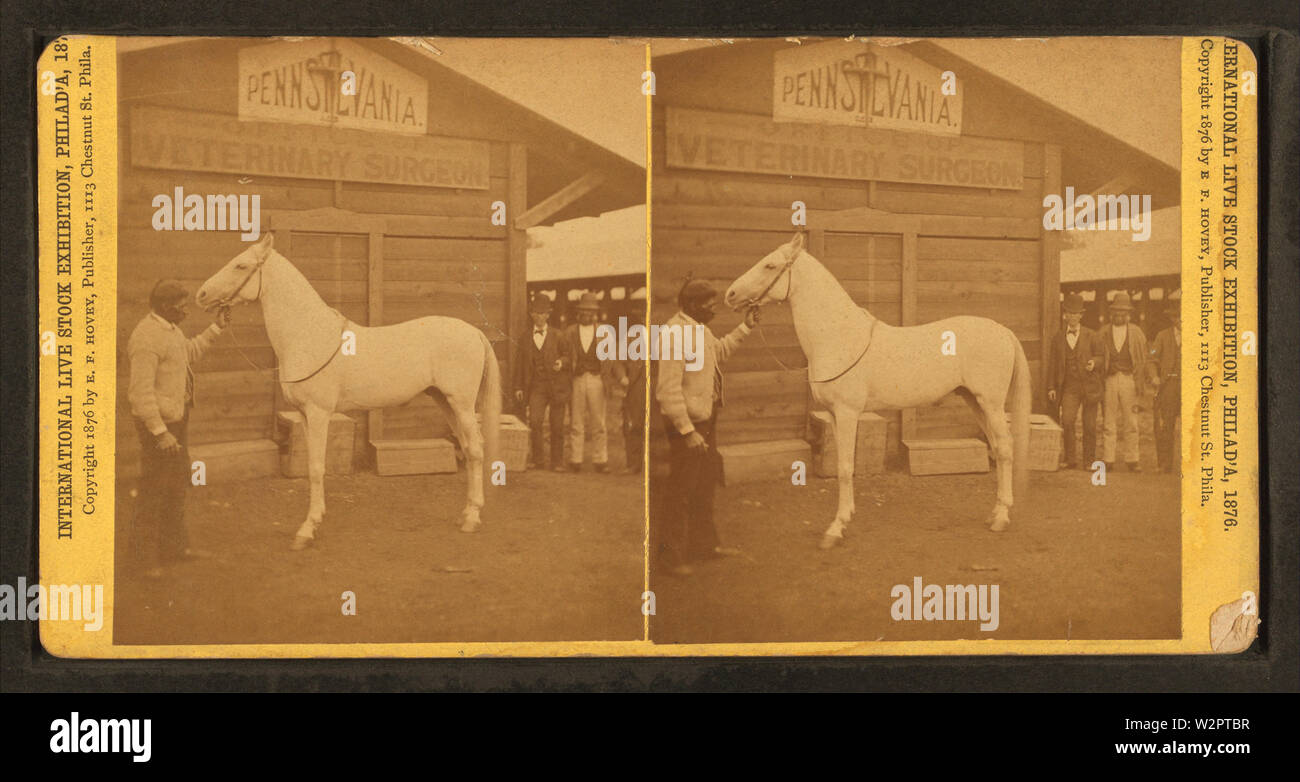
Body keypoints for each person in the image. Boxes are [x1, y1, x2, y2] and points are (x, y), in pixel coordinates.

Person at [653, 279, 758, 576]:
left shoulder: (700, 329)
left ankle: (703, 546)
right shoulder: (674, 335)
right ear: (692, 305)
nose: (714, 308)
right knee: (680, 490)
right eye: (709, 304)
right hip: (687, 425)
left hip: (707, 420)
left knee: (704, 485)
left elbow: (719, 352)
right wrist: (688, 432)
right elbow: (667, 391)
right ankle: (669, 558)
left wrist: (746, 326)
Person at [127, 279, 229, 578]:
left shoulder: (170, 330)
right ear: (166, 307)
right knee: (153, 490)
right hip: (158, 427)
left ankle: (174, 549)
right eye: (182, 306)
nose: (187, 310)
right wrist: (160, 433)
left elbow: (190, 353)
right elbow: (140, 393)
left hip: (176, 421)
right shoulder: (146, 338)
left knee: (175, 486)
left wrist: (217, 327)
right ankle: (141, 561)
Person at [513, 293, 571, 471]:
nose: (539, 316)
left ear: (548, 315)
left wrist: (561, 363)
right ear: (531, 314)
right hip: (536, 387)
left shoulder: (559, 336)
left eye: (543, 313)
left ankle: (557, 462)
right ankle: (538, 460)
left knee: (557, 425)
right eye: (536, 313)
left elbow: (569, 357)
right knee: (536, 422)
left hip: (556, 387)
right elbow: (519, 365)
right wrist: (518, 387)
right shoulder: (524, 338)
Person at [1046, 293, 1102, 469]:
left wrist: (1094, 362)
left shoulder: (1091, 335)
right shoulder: (1058, 338)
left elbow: (1101, 356)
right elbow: (1053, 365)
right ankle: (1071, 459)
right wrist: (1051, 387)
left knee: (1090, 425)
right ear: (1065, 315)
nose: (1072, 316)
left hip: (1090, 387)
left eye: (1075, 313)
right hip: (1069, 388)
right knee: (1068, 421)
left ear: (1081, 315)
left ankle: (1089, 460)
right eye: (1069, 313)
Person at [1096, 292, 1148, 472]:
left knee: (1131, 421)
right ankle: (1108, 459)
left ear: (1128, 314)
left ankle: (1132, 459)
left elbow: (1143, 358)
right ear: (1112, 314)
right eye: (1116, 312)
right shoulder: (1102, 332)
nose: (1119, 315)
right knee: (1108, 420)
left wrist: (1141, 381)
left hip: (1129, 380)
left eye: (1123, 312)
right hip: (1109, 380)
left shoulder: (1137, 333)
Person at [563, 293, 614, 473]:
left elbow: (610, 359)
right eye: (583, 310)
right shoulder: (570, 332)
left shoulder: (605, 331)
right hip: (577, 379)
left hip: (596, 379)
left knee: (598, 421)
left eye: (590, 311)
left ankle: (601, 459)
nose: (586, 314)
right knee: (576, 420)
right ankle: (575, 459)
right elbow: (566, 356)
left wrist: (609, 378)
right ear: (578, 312)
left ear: (595, 313)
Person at [1148, 300, 1182, 473]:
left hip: (1190, 386)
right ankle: (1164, 464)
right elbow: (1152, 358)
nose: (1181, 321)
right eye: (1178, 317)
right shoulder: (1162, 336)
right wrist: (1154, 376)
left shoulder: (1200, 334)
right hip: (1168, 387)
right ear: (1173, 319)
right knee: (1165, 426)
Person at [613, 329, 647, 475]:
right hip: (636, 388)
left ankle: (651, 464)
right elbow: (618, 362)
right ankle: (633, 463)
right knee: (633, 425)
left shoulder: (669, 333)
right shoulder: (633, 337)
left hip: (659, 387)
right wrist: (622, 377)